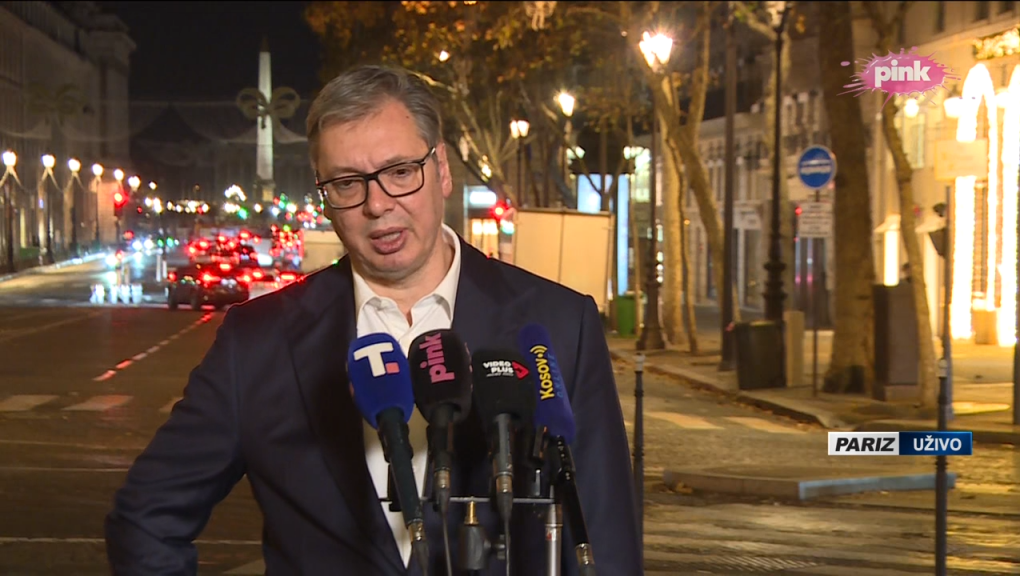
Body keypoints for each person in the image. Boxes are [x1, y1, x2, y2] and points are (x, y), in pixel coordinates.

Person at [104, 65, 642, 575]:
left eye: (400, 172)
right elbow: (146, 518)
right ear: (324, 196)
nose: (378, 204)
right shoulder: (257, 342)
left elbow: (606, 542)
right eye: (346, 183)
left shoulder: (558, 325)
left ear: (442, 170)